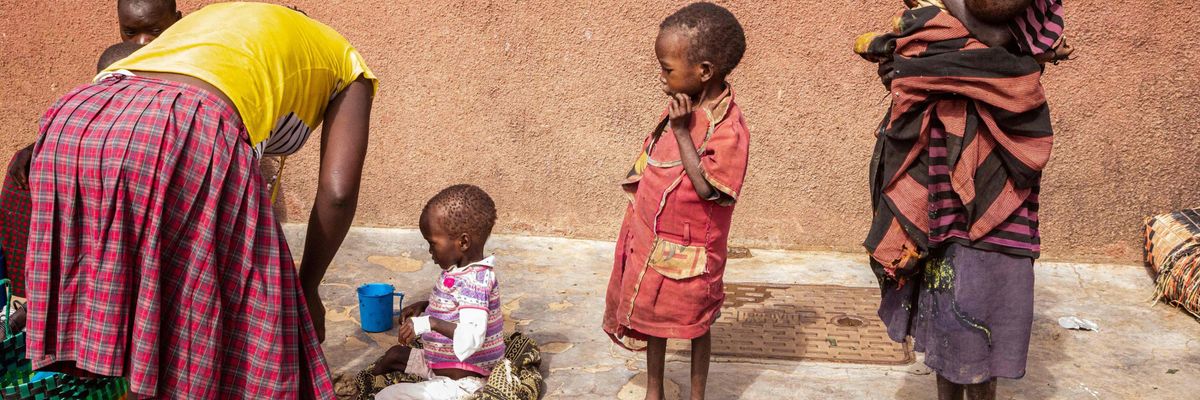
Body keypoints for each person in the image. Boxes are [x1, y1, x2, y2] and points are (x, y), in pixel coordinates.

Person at [26, 2, 377, 398]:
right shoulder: (345, 62)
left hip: (78, 118)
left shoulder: (213, 24)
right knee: (245, 315)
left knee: (146, 295)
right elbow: (337, 193)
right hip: (185, 125)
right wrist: (308, 287)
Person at [855, 1, 1066, 399]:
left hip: (996, 173)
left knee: (982, 307)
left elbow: (997, 32)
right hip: (939, 180)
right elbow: (909, 64)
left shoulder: (1009, 28)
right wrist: (913, 68)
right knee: (945, 305)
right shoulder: (927, 29)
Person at [601, 3, 749, 399]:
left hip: (692, 253)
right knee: (653, 319)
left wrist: (682, 132)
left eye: (667, 69)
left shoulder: (728, 127)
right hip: (654, 241)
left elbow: (707, 188)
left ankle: (697, 394)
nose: (661, 77)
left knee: (698, 323)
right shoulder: (685, 105)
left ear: (704, 70)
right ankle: (655, 390)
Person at [372, 184, 505, 400]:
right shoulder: (461, 270)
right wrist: (427, 306)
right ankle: (368, 381)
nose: (429, 251)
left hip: (463, 380)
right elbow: (457, 304)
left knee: (386, 396)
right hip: (438, 363)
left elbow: (472, 338)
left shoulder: (476, 282)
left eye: (433, 243)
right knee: (394, 355)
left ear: (463, 242)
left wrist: (429, 322)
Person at [118, 0, 182, 45]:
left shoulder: (187, 58)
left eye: (155, 30)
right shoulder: (116, 59)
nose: (142, 43)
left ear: (177, 21)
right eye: (130, 33)